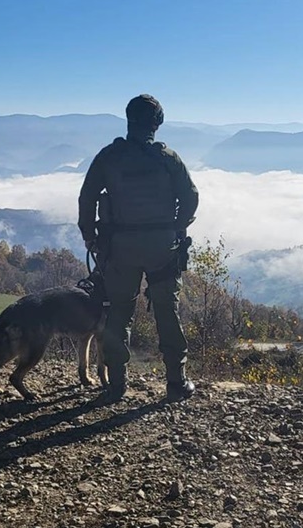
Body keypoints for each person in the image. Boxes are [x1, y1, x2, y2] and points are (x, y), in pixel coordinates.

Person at [78, 94, 199, 403]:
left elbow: (87, 197)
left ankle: (116, 384)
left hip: (119, 248)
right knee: (167, 312)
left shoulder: (109, 156)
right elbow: (190, 197)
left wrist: (90, 236)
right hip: (162, 247)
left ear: (129, 120)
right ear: (157, 124)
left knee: (119, 311)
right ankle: (176, 381)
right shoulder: (168, 158)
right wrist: (176, 226)